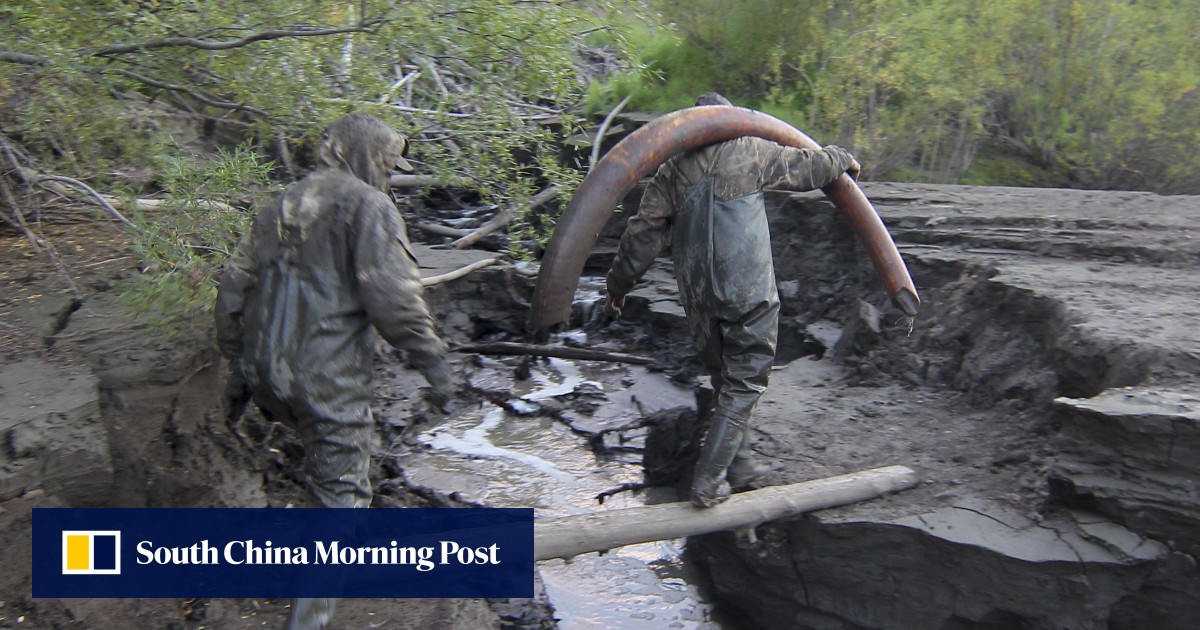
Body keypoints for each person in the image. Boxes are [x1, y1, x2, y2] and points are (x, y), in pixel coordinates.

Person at [214, 113, 453, 629]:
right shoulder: (370, 207)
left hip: (266, 372)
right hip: (325, 379)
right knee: (341, 497)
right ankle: (309, 620)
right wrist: (433, 361)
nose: (388, 174)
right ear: (364, 155)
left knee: (320, 472)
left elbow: (234, 290)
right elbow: (393, 297)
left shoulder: (279, 204)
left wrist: (239, 370)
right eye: (387, 163)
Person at [604, 93, 861, 508]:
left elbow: (641, 236)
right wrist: (841, 158)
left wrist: (618, 287)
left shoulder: (670, 173)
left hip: (699, 302)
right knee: (743, 384)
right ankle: (708, 483)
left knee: (727, 380)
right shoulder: (748, 150)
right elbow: (808, 168)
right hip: (748, 295)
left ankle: (740, 465)